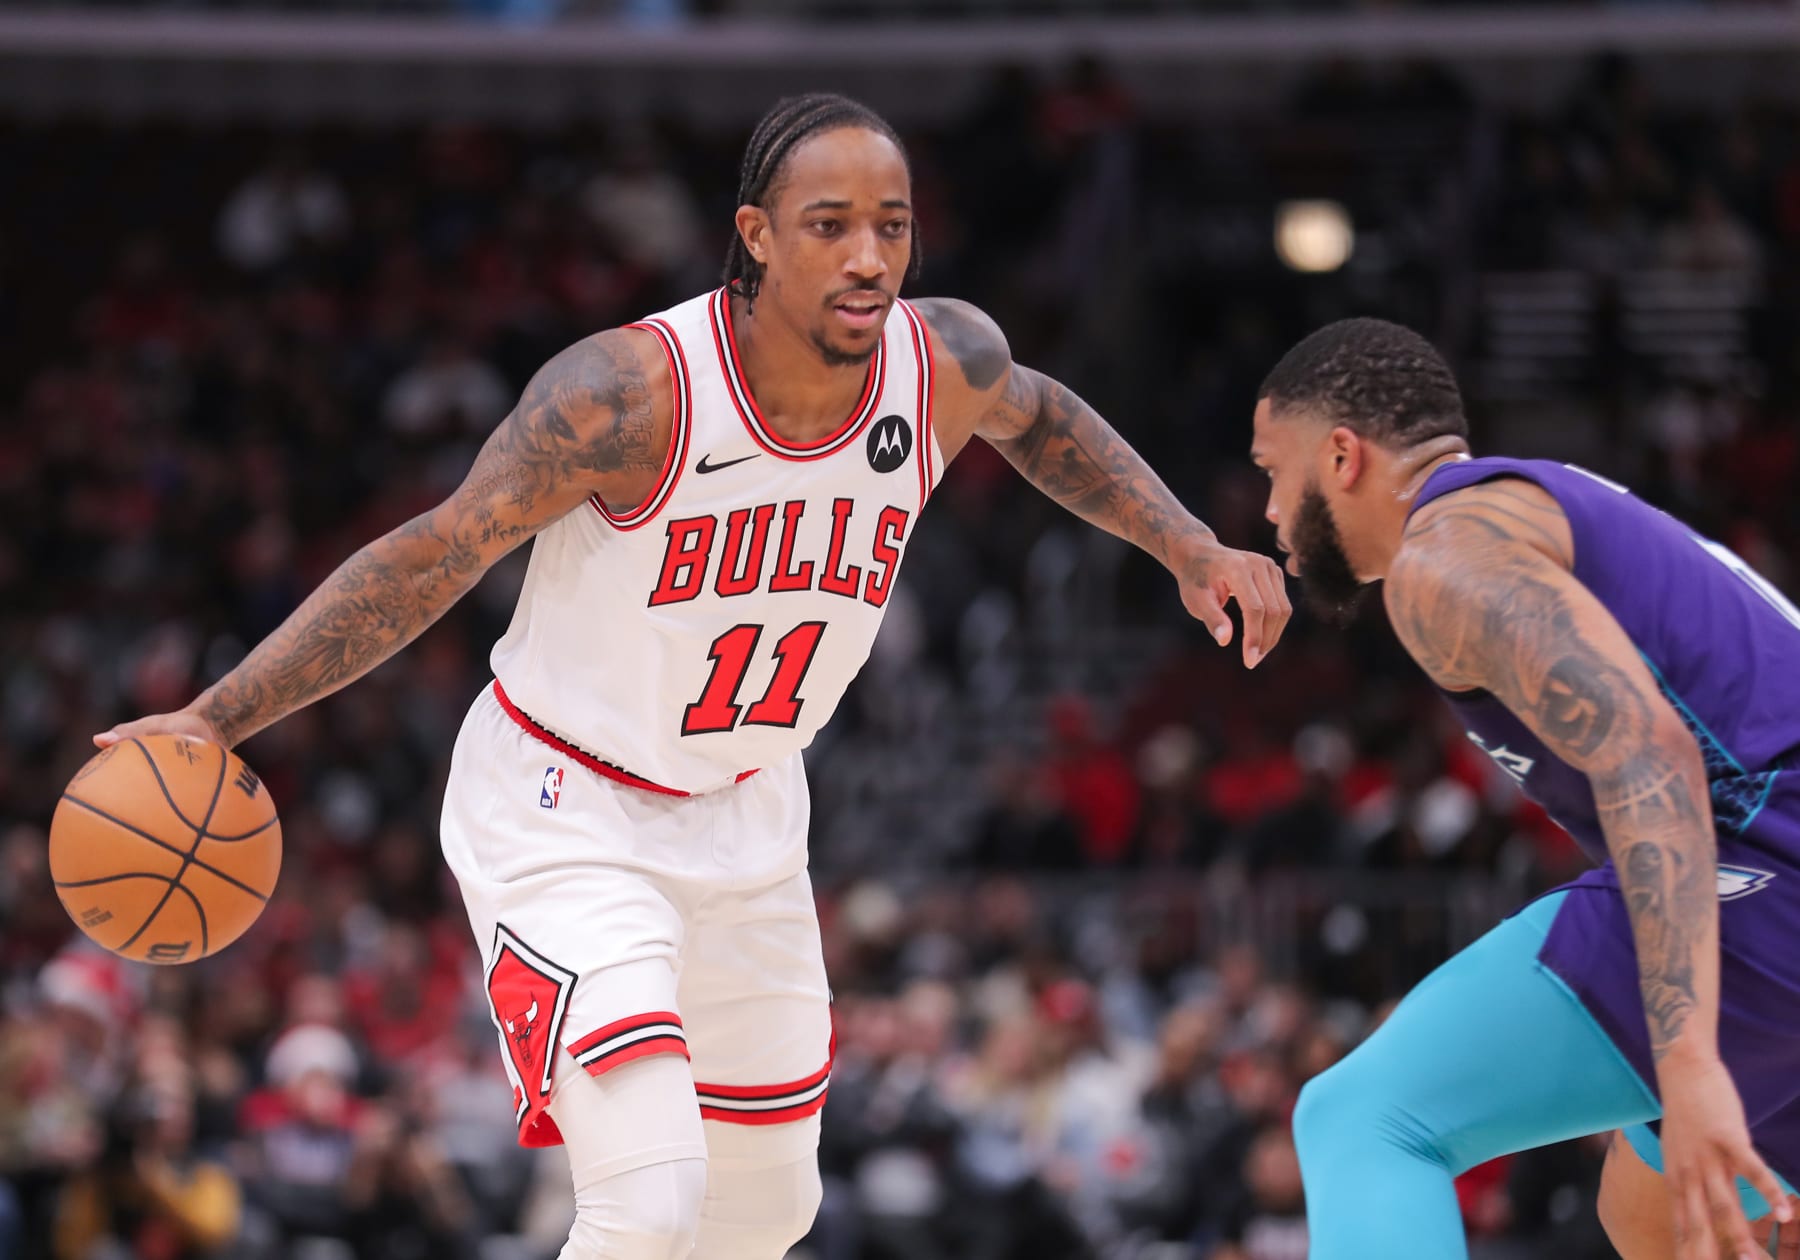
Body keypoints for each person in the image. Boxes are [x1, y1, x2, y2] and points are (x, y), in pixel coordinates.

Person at [96, 93, 1290, 1260]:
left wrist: (1189, 544)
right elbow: (435, 553)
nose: (870, 256)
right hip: (568, 805)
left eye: (892, 224)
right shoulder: (628, 393)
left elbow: (1041, 421)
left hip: (752, 817)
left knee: (764, 1216)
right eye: (830, 225)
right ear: (756, 235)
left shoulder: (944, 362)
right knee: (650, 1203)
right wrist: (219, 714)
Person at [1247, 316, 1800, 1260]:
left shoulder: (1444, 559)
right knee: (1656, 1214)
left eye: (1271, 471)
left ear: (1342, 456)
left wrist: (1692, 1060)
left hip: (1770, 877)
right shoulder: (1534, 508)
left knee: (1368, 1119)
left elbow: (1651, 753)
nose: (1265, 509)